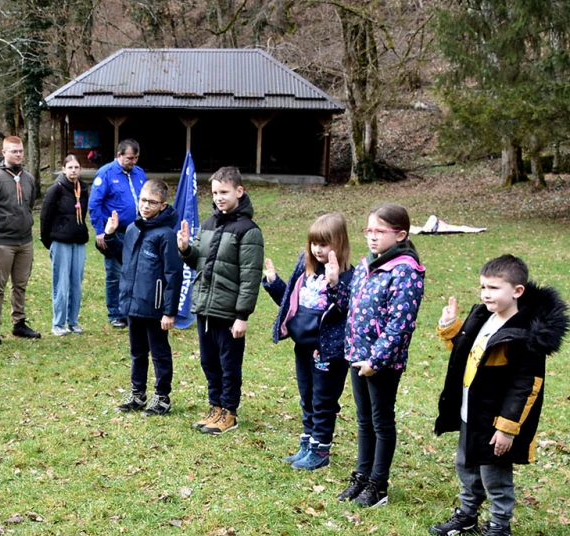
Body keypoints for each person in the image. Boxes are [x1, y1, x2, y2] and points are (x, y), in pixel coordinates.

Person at [431, 256, 567, 536]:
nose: (486, 294)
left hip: (496, 422)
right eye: (483, 286)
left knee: (494, 476)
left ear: (517, 291)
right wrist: (450, 328)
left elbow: (525, 386)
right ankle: (468, 516)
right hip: (472, 414)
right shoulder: (484, 316)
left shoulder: (524, 335)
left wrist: (506, 429)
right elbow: (467, 353)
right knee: (466, 465)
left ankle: (500, 529)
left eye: (494, 287)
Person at [336, 203, 425, 508]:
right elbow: (352, 307)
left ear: (400, 235)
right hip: (357, 356)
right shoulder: (366, 264)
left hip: (382, 363)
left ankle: (378, 485)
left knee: (381, 421)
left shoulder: (406, 271)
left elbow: (400, 324)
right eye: (369, 230)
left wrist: (377, 361)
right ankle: (361, 478)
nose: (372, 237)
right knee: (363, 420)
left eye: (380, 231)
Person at [262, 213, 354, 470]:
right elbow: (290, 304)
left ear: (339, 244)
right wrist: (274, 283)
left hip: (328, 352)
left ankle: (320, 451)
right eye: (314, 243)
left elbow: (348, 309)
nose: (317, 249)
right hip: (302, 347)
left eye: (324, 244)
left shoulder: (348, 277)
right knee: (307, 396)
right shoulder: (307, 271)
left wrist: (335, 284)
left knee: (323, 400)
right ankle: (307, 443)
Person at [177, 166, 264, 435]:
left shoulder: (249, 231)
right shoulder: (207, 224)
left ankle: (229, 411)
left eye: (224, 192)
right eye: (215, 192)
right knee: (209, 362)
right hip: (205, 307)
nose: (219, 197)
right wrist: (186, 250)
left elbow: (250, 277)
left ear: (239, 191)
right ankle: (215, 407)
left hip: (229, 312)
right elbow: (201, 262)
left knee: (229, 365)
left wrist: (242, 316)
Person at [102, 179, 183, 416]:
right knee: (137, 351)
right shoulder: (133, 228)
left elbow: (173, 274)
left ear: (163, 205)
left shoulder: (166, 235)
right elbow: (125, 260)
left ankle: (162, 396)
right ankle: (137, 393)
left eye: (152, 202)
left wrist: (169, 311)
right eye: (143, 200)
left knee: (159, 352)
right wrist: (109, 237)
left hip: (155, 307)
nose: (146, 206)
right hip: (132, 303)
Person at [0, 136, 40, 344]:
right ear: (4, 152)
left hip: (25, 241)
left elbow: (29, 204)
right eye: (14, 151)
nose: (19, 154)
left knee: (20, 284)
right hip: (1, 242)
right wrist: (0, 224)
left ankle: (19, 323)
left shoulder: (28, 178)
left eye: (21, 151)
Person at [88, 139, 146, 329]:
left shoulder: (139, 173)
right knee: (114, 273)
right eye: (130, 158)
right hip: (115, 233)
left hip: (137, 231)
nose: (133, 161)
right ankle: (115, 313)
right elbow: (94, 204)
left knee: (135, 272)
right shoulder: (106, 173)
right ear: (119, 155)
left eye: (136, 157)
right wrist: (100, 232)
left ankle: (131, 310)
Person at [40, 154, 91, 336]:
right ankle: (58, 323)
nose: (73, 171)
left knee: (76, 283)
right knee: (61, 284)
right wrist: (48, 240)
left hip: (78, 241)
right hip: (60, 241)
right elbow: (45, 217)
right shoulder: (56, 189)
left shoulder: (83, 188)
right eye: (70, 167)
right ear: (63, 169)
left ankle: (73, 321)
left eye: (76, 167)